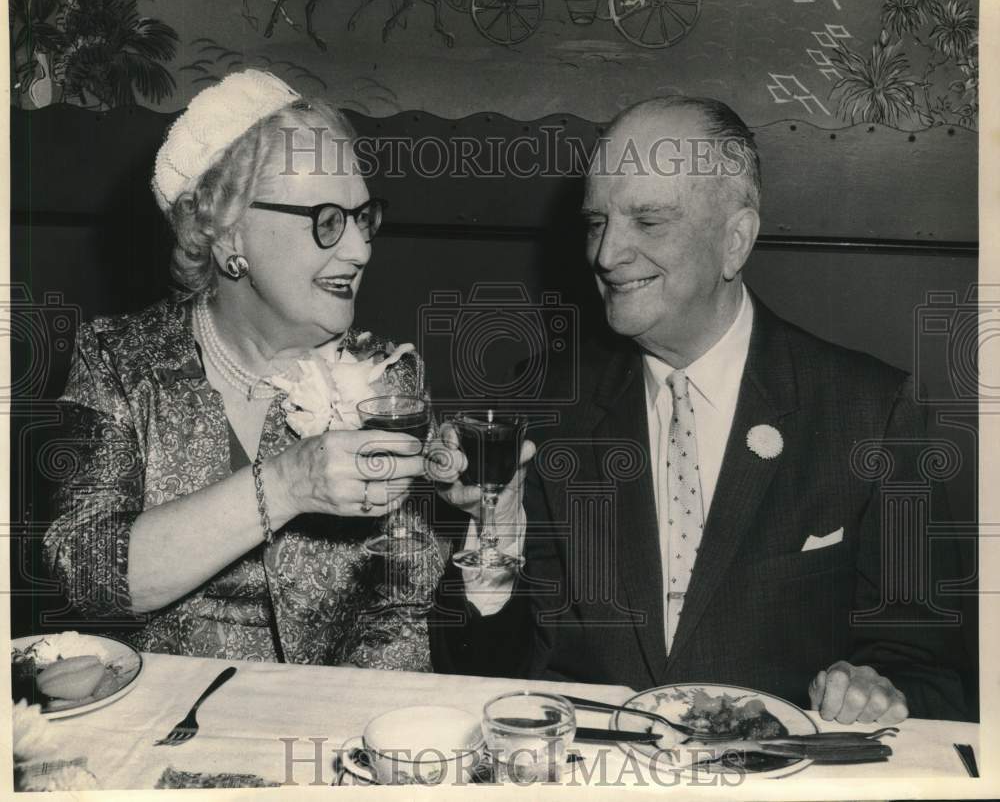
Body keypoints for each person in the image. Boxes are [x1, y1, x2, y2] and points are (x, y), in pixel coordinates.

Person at [431, 96, 969, 723]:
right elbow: (478, 678)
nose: (606, 255)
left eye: (648, 222)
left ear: (734, 242)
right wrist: (494, 548)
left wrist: (875, 689)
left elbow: (932, 675)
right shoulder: (541, 410)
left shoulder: (870, 413)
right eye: (597, 221)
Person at [43, 70, 443, 668]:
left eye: (365, 218)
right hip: (157, 730)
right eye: (328, 220)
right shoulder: (119, 360)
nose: (359, 250)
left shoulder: (387, 377)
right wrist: (286, 483)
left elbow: (400, 612)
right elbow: (86, 575)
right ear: (229, 233)